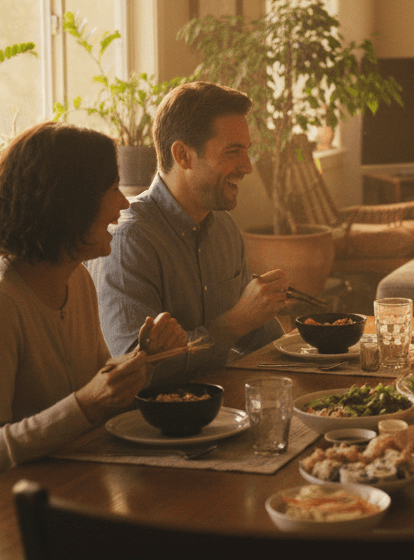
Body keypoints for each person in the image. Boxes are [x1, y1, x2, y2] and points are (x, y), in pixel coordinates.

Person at [0, 123, 187, 509]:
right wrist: (87, 403)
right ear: (70, 204)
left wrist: (141, 360)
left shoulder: (76, 277)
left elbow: (93, 391)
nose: (124, 203)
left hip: (51, 487)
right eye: (110, 189)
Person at [90, 81, 288, 383]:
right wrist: (233, 324)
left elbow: (260, 340)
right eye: (234, 152)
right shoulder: (129, 241)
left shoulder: (225, 228)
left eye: (247, 151)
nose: (247, 167)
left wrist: (317, 350)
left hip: (220, 406)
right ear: (183, 155)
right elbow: (134, 370)